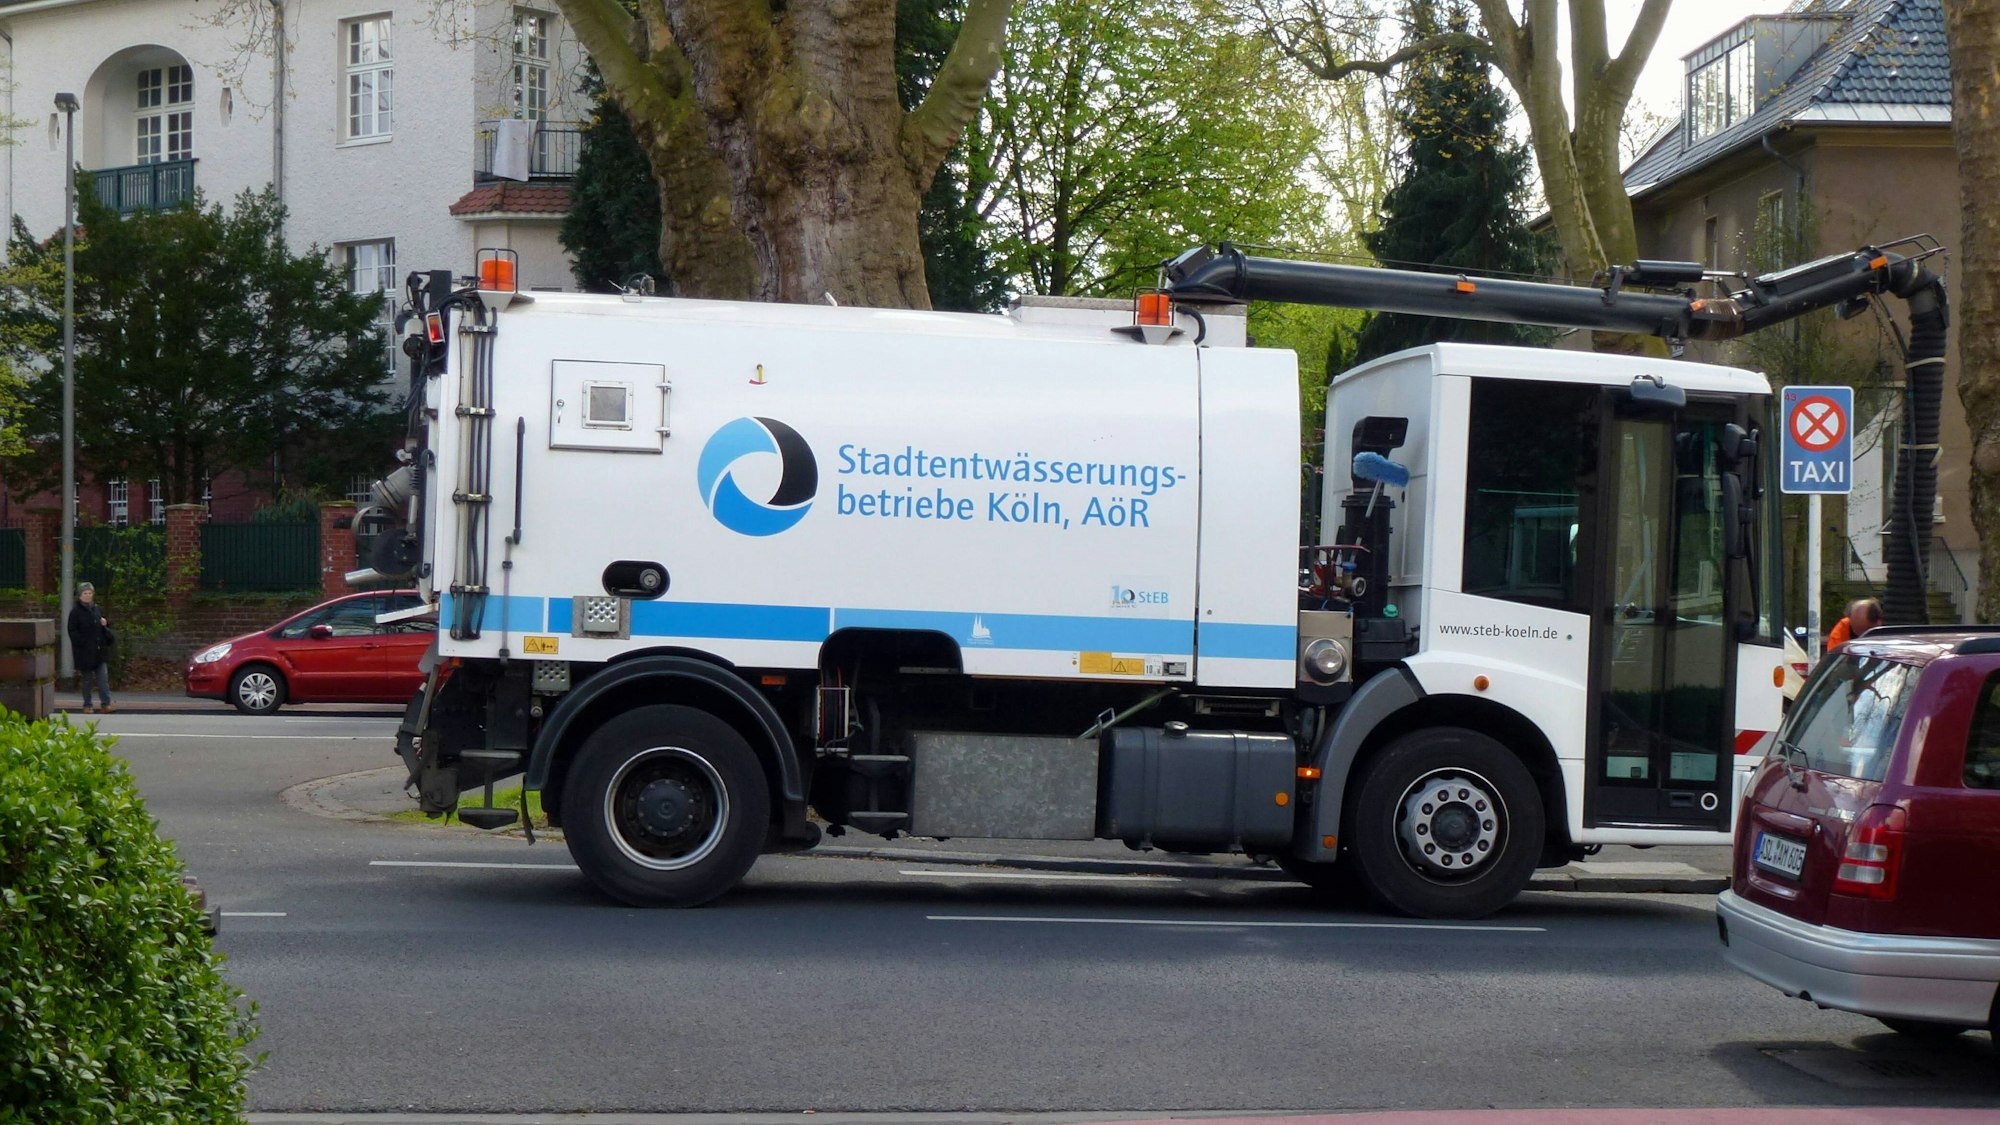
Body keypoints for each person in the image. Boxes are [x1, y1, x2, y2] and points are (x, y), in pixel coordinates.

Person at [66, 581, 114, 714]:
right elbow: (72, 631)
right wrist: (82, 643)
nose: (88, 596)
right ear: (80, 596)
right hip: (85, 652)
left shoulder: (97, 609)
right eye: (85, 593)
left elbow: (105, 625)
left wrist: (106, 623)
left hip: (99, 651)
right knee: (87, 680)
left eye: (90, 593)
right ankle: (87, 704)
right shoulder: (75, 613)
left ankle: (106, 704)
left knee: (103, 679)